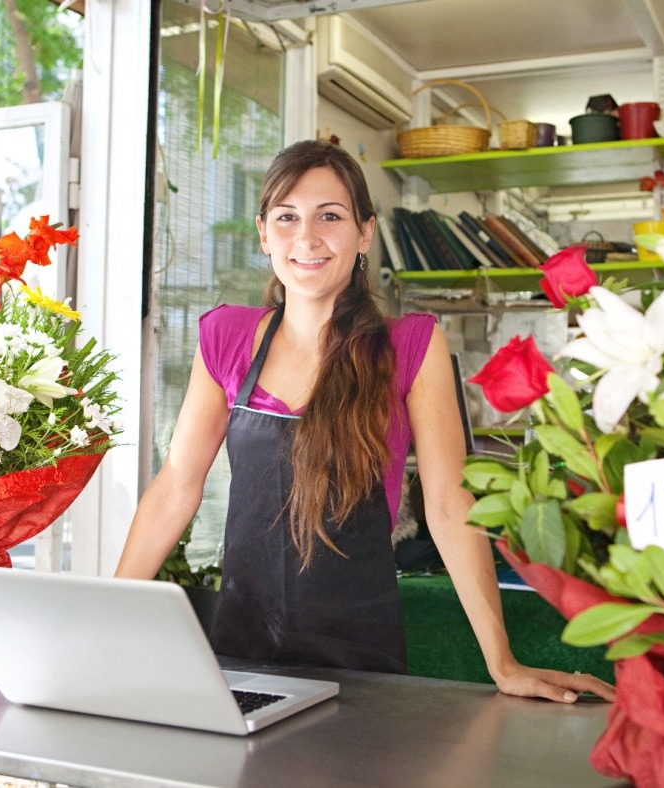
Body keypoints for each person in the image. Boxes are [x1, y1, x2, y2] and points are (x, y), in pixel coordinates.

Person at [115, 139, 615, 705]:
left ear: (364, 233)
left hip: (360, 660)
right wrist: (109, 620)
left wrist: (501, 662)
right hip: (243, 651)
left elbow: (450, 504)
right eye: (287, 218)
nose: (306, 237)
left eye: (330, 216)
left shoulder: (410, 345)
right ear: (263, 234)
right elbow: (176, 487)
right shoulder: (227, 336)